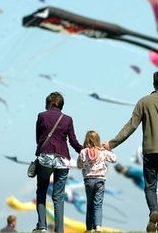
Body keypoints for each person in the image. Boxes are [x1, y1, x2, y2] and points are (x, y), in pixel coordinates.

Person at [104, 70, 158, 232]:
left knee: (150, 186)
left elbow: (131, 126)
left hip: (150, 151)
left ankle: (154, 210)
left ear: (153, 84)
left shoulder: (144, 102)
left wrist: (112, 143)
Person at [34, 92, 83, 233]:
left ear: (48, 103)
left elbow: (38, 139)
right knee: (59, 196)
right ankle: (59, 230)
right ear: (61, 105)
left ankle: (42, 226)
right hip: (62, 160)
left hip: (45, 159)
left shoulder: (41, 116)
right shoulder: (68, 119)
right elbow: (73, 142)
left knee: (41, 191)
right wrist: (84, 151)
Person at [77, 130, 117, 232]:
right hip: (100, 181)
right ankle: (98, 226)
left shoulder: (83, 152)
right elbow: (114, 159)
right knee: (98, 204)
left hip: (88, 181)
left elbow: (79, 165)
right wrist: (108, 149)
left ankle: (89, 228)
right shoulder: (102, 152)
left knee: (89, 203)